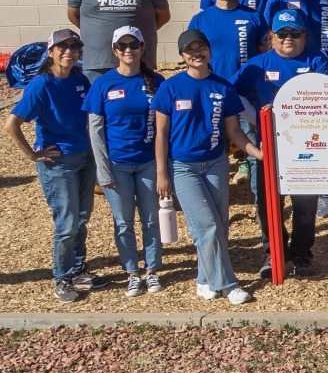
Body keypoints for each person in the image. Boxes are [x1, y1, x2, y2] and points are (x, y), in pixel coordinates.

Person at [153, 30, 262, 303]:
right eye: (189, 50)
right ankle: (228, 285)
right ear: (182, 56)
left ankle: (204, 280)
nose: (196, 53)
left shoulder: (223, 87)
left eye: (200, 47)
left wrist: (258, 153)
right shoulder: (170, 87)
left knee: (219, 226)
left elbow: (234, 131)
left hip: (216, 162)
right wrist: (161, 173)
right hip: (183, 167)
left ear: (209, 50)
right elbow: (161, 134)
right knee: (207, 226)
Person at [234, 8, 327, 278]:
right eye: (282, 33)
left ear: (304, 35)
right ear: (271, 36)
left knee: (305, 204)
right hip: (269, 146)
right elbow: (232, 94)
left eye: (294, 33)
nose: (288, 38)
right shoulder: (257, 64)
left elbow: (326, 97)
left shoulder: (317, 61)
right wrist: (256, 118)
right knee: (268, 202)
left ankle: (302, 253)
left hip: (306, 146)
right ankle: (273, 251)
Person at [7, 29, 94, 302]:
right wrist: (32, 155)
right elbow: (11, 124)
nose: (69, 52)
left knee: (81, 218)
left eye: (74, 47)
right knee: (66, 223)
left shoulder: (80, 79)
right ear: (51, 52)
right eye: (62, 47)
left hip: (85, 157)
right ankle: (62, 277)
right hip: (58, 164)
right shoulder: (41, 85)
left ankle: (78, 269)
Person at [85, 27, 164, 296]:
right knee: (123, 222)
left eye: (134, 45)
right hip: (117, 165)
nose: (128, 50)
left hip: (149, 163)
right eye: (122, 46)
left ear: (143, 47)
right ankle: (132, 272)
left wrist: (164, 167)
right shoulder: (103, 84)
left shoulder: (156, 81)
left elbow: (166, 127)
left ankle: (152, 270)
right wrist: (103, 170)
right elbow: (95, 131)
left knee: (151, 220)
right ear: (114, 50)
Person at [187, 0, 264, 83]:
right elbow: (190, 57)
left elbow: (265, 54)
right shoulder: (199, 20)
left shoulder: (255, 17)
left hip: (248, 87)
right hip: (212, 85)